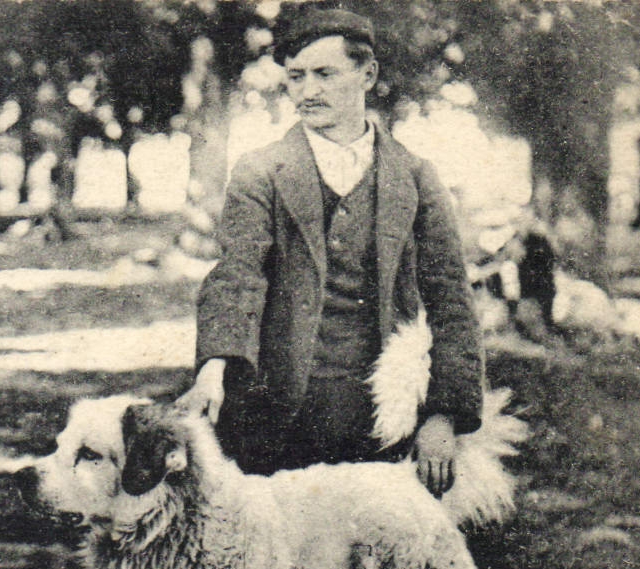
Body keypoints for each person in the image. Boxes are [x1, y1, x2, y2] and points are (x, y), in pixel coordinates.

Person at [182, 9, 483, 496]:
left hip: (381, 423)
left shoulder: (415, 177)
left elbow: (451, 300)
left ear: (368, 75)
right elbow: (238, 275)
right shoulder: (261, 172)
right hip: (276, 417)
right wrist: (214, 368)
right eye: (295, 76)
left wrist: (444, 416)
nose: (307, 91)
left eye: (325, 74)